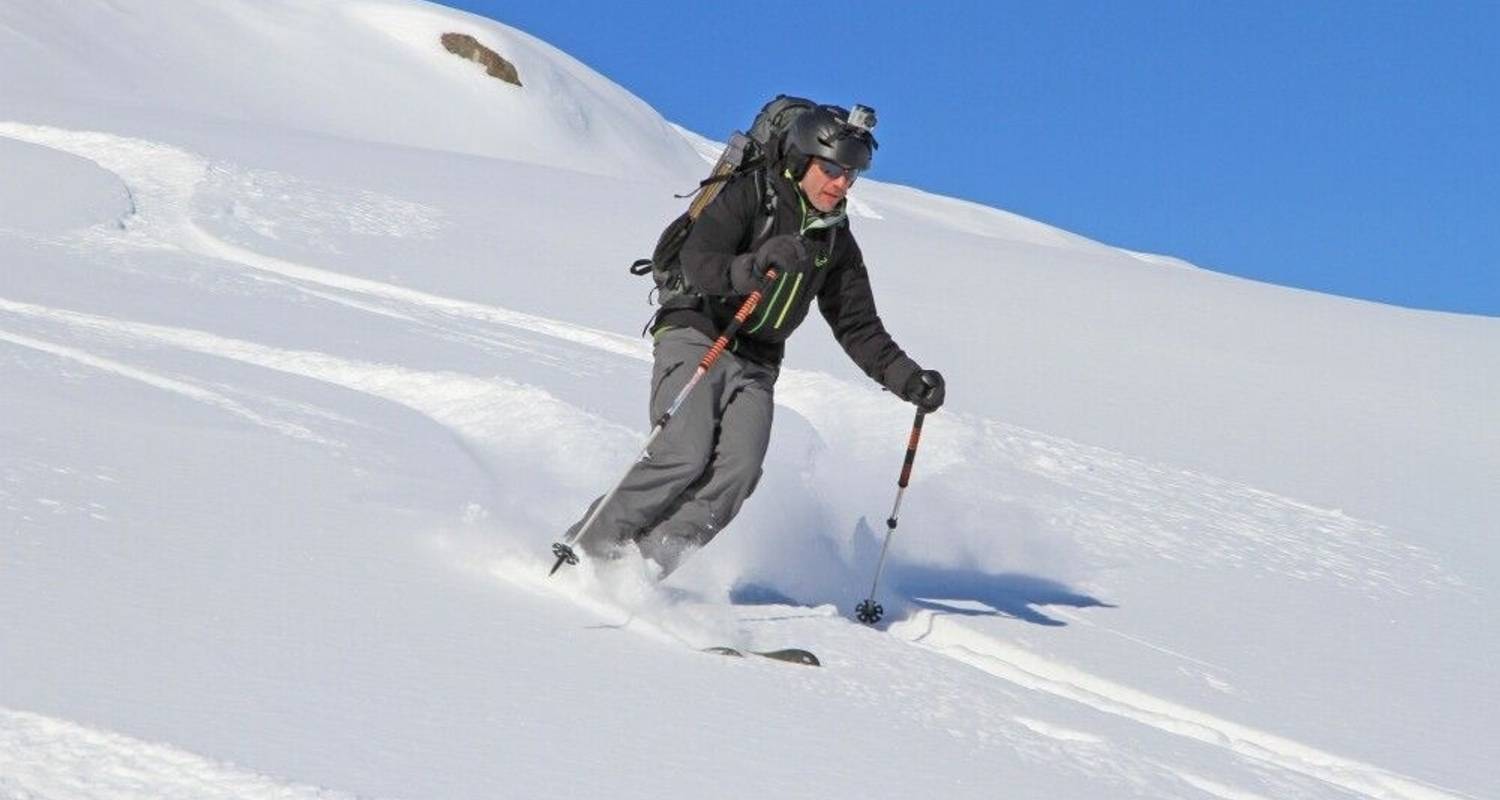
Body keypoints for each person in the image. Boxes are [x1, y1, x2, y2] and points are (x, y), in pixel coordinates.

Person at [567, 103, 945, 577]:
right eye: (831, 169)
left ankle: (640, 570)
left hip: (759, 361)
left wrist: (909, 379)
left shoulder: (835, 243)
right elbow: (698, 262)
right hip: (699, 331)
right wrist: (754, 265)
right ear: (804, 159)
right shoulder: (752, 196)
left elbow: (858, 326)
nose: (841, 183)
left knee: (738, 473)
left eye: (850, 175)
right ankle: (586, 550)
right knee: (683, 452)